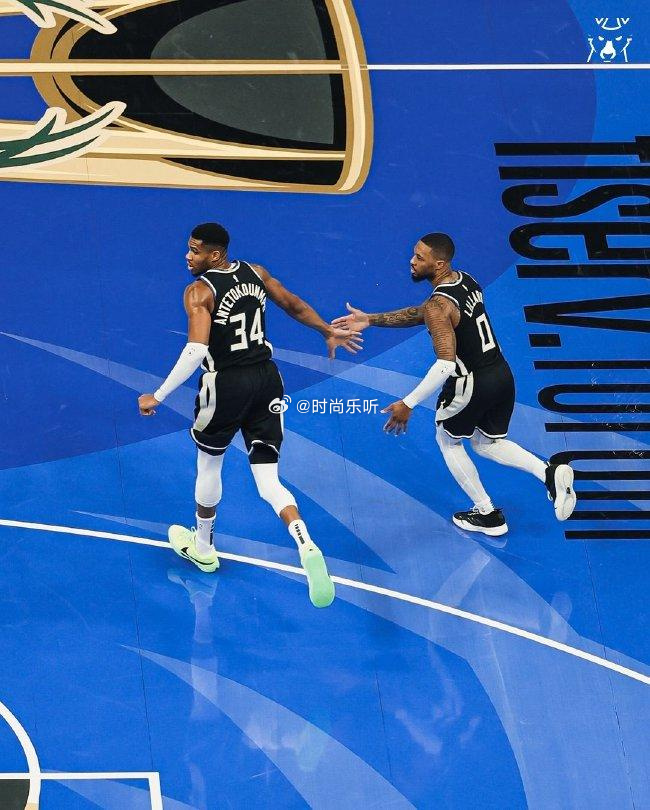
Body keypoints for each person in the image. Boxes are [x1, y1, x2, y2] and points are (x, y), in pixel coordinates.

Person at [138, 222, 363, 607]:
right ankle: (305, 543)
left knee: (209, 464)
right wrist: (326, 330)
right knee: (268, 480)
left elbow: (196, 350)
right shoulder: (255, 273)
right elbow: (293, 304)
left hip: (226, 385)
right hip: (267, 380)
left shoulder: (199, 292)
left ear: (214, 255)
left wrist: (157, 395)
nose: (187, 257)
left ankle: (204, 547)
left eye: (195, 251)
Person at [332, 232, 576, 537]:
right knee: (487, 443)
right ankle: (549, 473)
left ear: (439, 264)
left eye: (419, 257)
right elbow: (426, 313)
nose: (411, 261)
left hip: (472, 383)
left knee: (448, 440)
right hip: (501, 374)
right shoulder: (465, 280)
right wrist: (370, 319)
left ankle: (487, 514)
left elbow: (445, 363)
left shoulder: (438, 305)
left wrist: (408, 403)